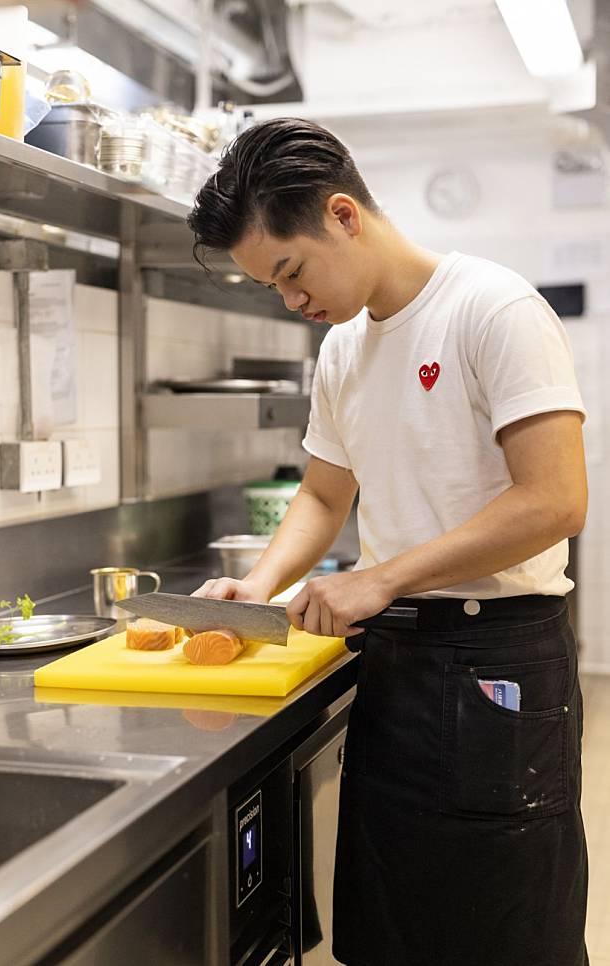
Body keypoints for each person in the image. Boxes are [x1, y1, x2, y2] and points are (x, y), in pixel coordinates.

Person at [187, 118, 589, 966]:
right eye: (273, 288)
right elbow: (324, 494)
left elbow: (555, 500)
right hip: (395, 665)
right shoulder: (341, 350)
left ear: (342, 214)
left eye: (291, 273)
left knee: (503, 932)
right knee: (392, 932)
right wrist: (257, 587)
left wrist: (380, 579)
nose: (291, 300)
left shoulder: (493, 307)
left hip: (498, 664)